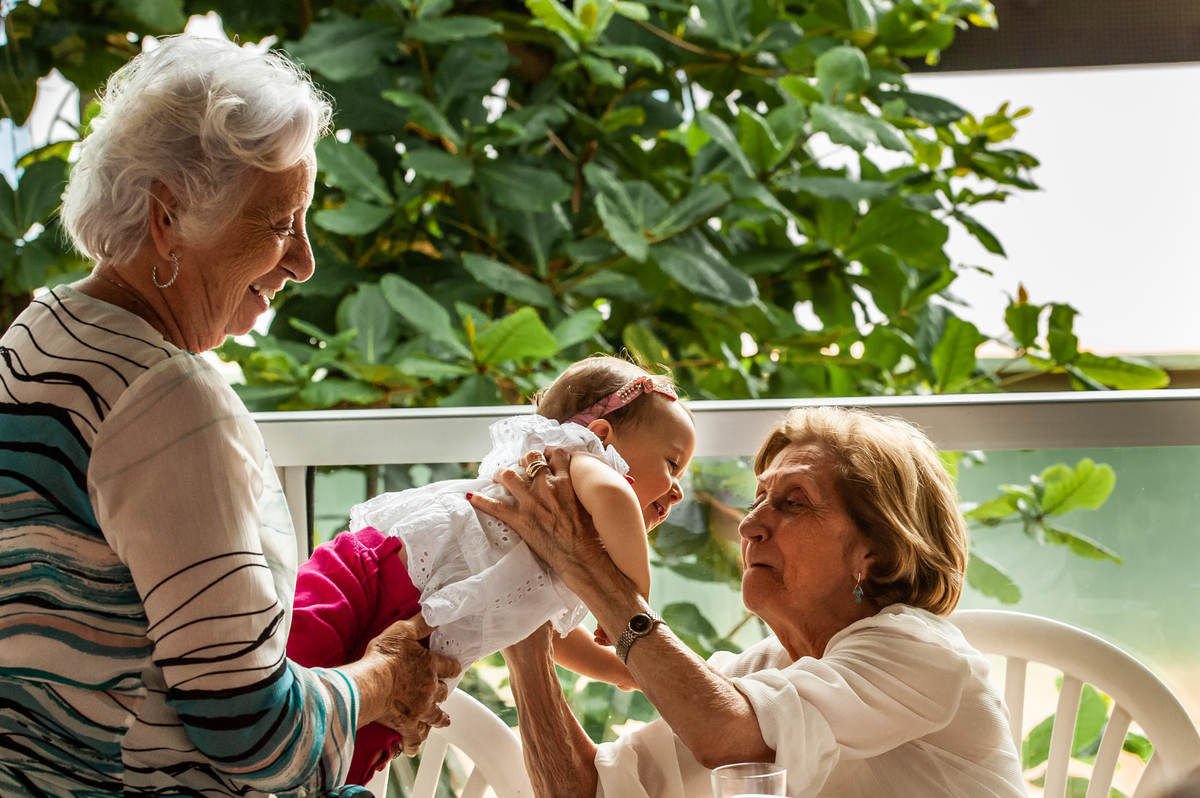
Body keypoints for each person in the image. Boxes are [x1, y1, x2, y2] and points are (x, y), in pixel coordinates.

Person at [0, 36, 460, 797]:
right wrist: (383, 679)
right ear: (167, 218)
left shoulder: (37, 337)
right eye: (280, 224)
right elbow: (254, 733)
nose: (304, 261)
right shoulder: (166, 401)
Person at [472, 406, 1028, 798]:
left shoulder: (919, 651)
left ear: (875, 553)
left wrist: (587, 567)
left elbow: (726, 737)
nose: (751, 524)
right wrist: (524, 638)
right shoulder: (760, 671)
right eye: (758, 498)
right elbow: (589, 791)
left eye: (793, 502)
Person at [286, 355, 698, 784]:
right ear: (600, 434)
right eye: (672, 464)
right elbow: (616, 498)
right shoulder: (575, 460)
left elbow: (545, 631)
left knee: (337, 764)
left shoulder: (560, 543)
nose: (678, 492)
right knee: (284, 690)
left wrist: (619, 669)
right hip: (370, 582)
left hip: (416, 646)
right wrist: (632, 599)